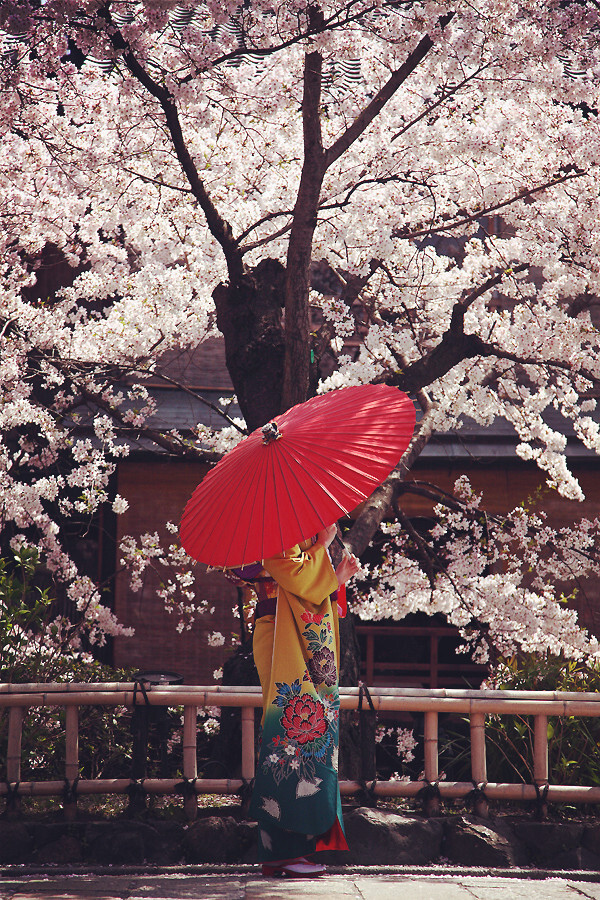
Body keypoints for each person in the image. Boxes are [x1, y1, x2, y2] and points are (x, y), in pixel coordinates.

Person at [231, 524, 360, 878]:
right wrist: (324, 549)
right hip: (283, 633)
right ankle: (285, 849)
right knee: (291, 732)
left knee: (311, 733)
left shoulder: (295, 524)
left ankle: (291, 848)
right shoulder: (275, 526)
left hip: (302, 633)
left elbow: (313, 585)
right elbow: (297, 578)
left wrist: (337, 577)